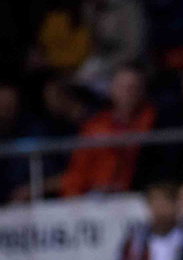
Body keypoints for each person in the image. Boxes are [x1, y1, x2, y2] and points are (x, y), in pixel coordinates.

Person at [61, 64, 157, 197]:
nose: (128, 93)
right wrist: (72, 195)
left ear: (143, 91)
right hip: (97, 197)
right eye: (122, 87)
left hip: (139, 195)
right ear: (111, 89)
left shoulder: (154, 122)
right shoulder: (95, 126)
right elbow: (78, 168)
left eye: (134, 87)